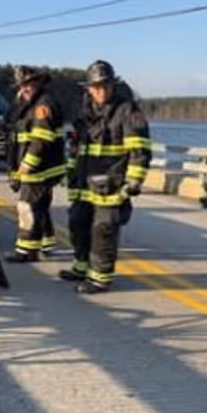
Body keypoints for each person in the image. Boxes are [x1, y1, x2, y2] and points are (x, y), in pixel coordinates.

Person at [60, 60, 152, 295]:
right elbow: (77, 149)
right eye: (96, 87)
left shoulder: (127, 111)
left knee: (103, 231)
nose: (101, 91)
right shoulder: (84, 112)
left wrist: (133, 182)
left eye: (105, 86)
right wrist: (71, 175)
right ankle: (81, 267)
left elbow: (139, 149)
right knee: (77, 223)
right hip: (85, 183)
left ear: (113, 86)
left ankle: (100, 278)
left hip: (111, 185)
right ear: (89, 88)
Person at [5, 66, 65, 264]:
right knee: (39, 207)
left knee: (27, 207)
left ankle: (26, 250)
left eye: (29, 84)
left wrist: (25, 166)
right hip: (36, 166)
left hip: (39, 167)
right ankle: (46, 243)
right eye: (22, 85)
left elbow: (40, 140)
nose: (25, 89)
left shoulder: (42, 105)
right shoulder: (27, 105)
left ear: (39, 83)